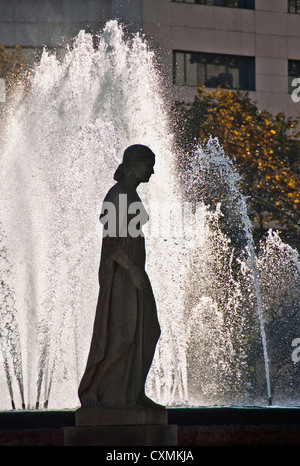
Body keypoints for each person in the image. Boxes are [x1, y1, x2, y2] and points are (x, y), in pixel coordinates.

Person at [78, 144, 161, 408]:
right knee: (122, 336)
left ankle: (134, 393)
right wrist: (133, 270)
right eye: (149, 164)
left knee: (148, 331)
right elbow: (111, 243)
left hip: (133, 271)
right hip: (122, 274)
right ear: (134, 165)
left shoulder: (130, 194)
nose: (153, 171)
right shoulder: (117, 195)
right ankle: (95, 391)